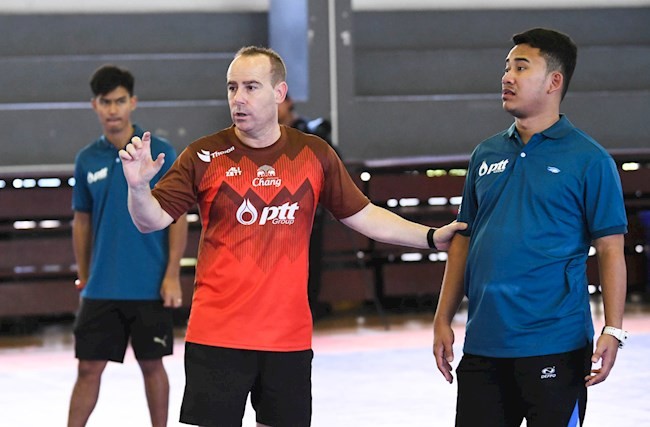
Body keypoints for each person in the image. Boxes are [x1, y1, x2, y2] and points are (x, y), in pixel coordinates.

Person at [119, 46, 466, 427]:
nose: (238, 98)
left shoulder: (314, 154)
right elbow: (149, 221)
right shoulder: (203, 156)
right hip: (217, 335)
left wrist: (432, 237)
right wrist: (138, 189)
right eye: (232, 88)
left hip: (288, 339)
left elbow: (364, 215)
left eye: (251, 87)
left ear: (279, 93)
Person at [432, 28, 628, 426]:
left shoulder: (590, 160)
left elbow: (610, 249)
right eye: (506, 68)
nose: (507, 77)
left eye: (521, 67)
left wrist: (614, 329)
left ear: (554, 81)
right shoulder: (485, 153)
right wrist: (442, 318)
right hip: (484, 346)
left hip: (556, 344)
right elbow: (463, 240)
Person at [68, 65, 188, 427]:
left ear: (132, 102)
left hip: (149, 285)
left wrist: (171, 275)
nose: (113, 109)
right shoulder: (86, 159)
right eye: (106, 102)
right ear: (95, 106)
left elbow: (177, 217)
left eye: (120, 100)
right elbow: (82, 221)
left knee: (152, 364)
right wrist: (85, 275)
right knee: (88, 368)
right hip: (102, 286)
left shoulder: (160, 154)